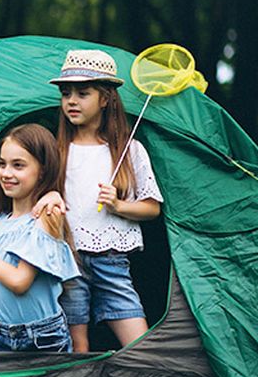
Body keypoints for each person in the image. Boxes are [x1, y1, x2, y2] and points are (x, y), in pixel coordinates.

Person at [34, 49, 164, 352]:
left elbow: (152, 208)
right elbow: (37, 203)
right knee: (76, 346)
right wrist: (50, 195)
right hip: (68, 260)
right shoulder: (57, 150)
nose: (72, 101)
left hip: (112, 261)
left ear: (105, 98)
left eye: (83, 93)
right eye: (66, 94)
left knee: (139, 344)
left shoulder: (129, 151)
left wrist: (119, 206)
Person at [0, 124, 80, 352]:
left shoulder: (46, 216)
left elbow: (19, 282)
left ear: (43, 170)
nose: (6, 173)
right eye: (2, 164)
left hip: (40, 338)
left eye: (18, 166)